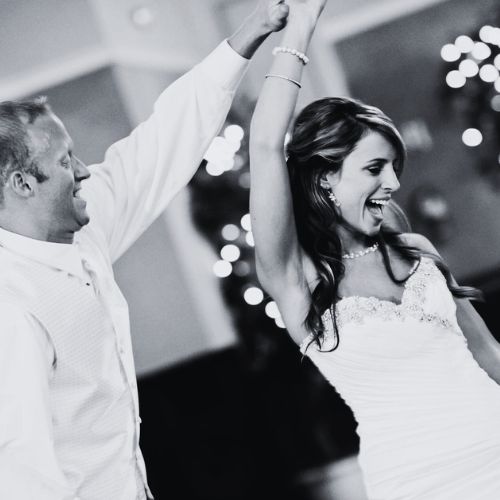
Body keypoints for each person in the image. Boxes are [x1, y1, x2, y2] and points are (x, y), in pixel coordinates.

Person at [0, 2, 291, 499]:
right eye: (67, 161)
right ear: (23, 183)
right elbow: (21, 467)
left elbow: (158, 147)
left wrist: (252, 31)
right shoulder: (11, 302)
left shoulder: (81, 233)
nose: (86, 171)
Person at [249, 1, 500, 498]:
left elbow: (487, 352)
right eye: (374, 168)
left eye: (393, 166)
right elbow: (263, 145)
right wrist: (298, 31)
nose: (393, 182)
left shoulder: (415, 251)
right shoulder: (297, 280)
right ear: (323, 176)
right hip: (416, 481)